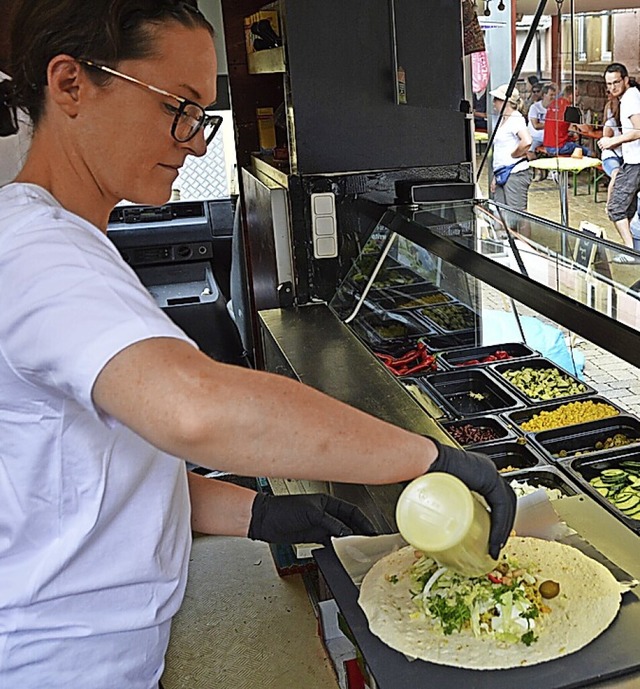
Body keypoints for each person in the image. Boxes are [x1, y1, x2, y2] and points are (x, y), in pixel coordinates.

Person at [0, 2, 516, 688]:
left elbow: (90, 477)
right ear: (70, 85)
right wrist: (424, 457)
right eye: (176, 106)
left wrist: (256, 512)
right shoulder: (39, 252)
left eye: (202, 114)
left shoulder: (58, 241)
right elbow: (197, 408)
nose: (196, 140)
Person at [598, 63, 640, 259]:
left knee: (615, 208)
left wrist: (613, 141)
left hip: (635, 163)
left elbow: (638, 130)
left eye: (616, 82)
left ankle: (629, 251)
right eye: (609, 84)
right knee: (629, 209)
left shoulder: (631, 98)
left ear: (625, 80)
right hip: (632, 160)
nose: (612, 87)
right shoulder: (628, 97)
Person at [489, 83, 532, 212]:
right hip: (502, 172)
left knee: (518, 215)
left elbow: (527, 141)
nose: (493, 102)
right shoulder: (502, 119)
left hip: (515, 173)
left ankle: (521, 233)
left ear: (505, 101)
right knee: (501, 212)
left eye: (496, 99)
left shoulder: (515, 118)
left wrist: (515, 154)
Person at [542, 84, 590, 157]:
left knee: (573, 144)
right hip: (559, 147)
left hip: (548, 146)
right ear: (570, 95)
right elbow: (585, 129)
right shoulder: (569, 108)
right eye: (576, 96)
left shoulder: (553, 104)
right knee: (588, 151)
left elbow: (558, 125)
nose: (578, 98)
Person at [600, 95, 624, 211]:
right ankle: (609, 204)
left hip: (625, 156)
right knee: (616, 174)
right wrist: (621, 141)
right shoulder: (611, 123)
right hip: (611, 156)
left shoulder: (630, 125)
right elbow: (605, 144)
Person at [527, 83, 557, 160]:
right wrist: (551, 124)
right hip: (535, 136)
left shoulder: (555, 109)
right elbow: (536, 126)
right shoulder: (535, 107)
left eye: (554, 95)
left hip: (549, 137)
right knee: (530, 151)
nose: (553, 97)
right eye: (551, 95)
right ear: (544, 95)